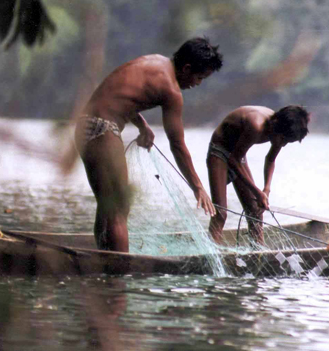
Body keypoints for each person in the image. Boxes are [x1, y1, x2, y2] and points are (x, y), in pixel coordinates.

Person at [75, 37, 223, 252]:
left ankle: (105, 259)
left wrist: (142, 125)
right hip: (102, 128)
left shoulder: (154, 62)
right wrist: (198, 187)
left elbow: (121, 95)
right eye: (199, 77)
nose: (197, 84)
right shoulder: (171, 90)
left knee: (109, 206)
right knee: (119, 207)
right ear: (186, 68)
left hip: (85, 126)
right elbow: (178, 145)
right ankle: (118, 272)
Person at [207, 105, 310, 245]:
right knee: (221, 213)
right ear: (275, 125)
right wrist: (256, 192)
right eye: (283, 140)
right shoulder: (256, 125)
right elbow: (233, 160)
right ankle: (212, 256)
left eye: (287, 142)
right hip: (220, 150)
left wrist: (266, 189)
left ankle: (258, 253)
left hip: (238, 154)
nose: (283, 144)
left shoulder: (281, 130)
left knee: (255, 212)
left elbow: (270, 159)